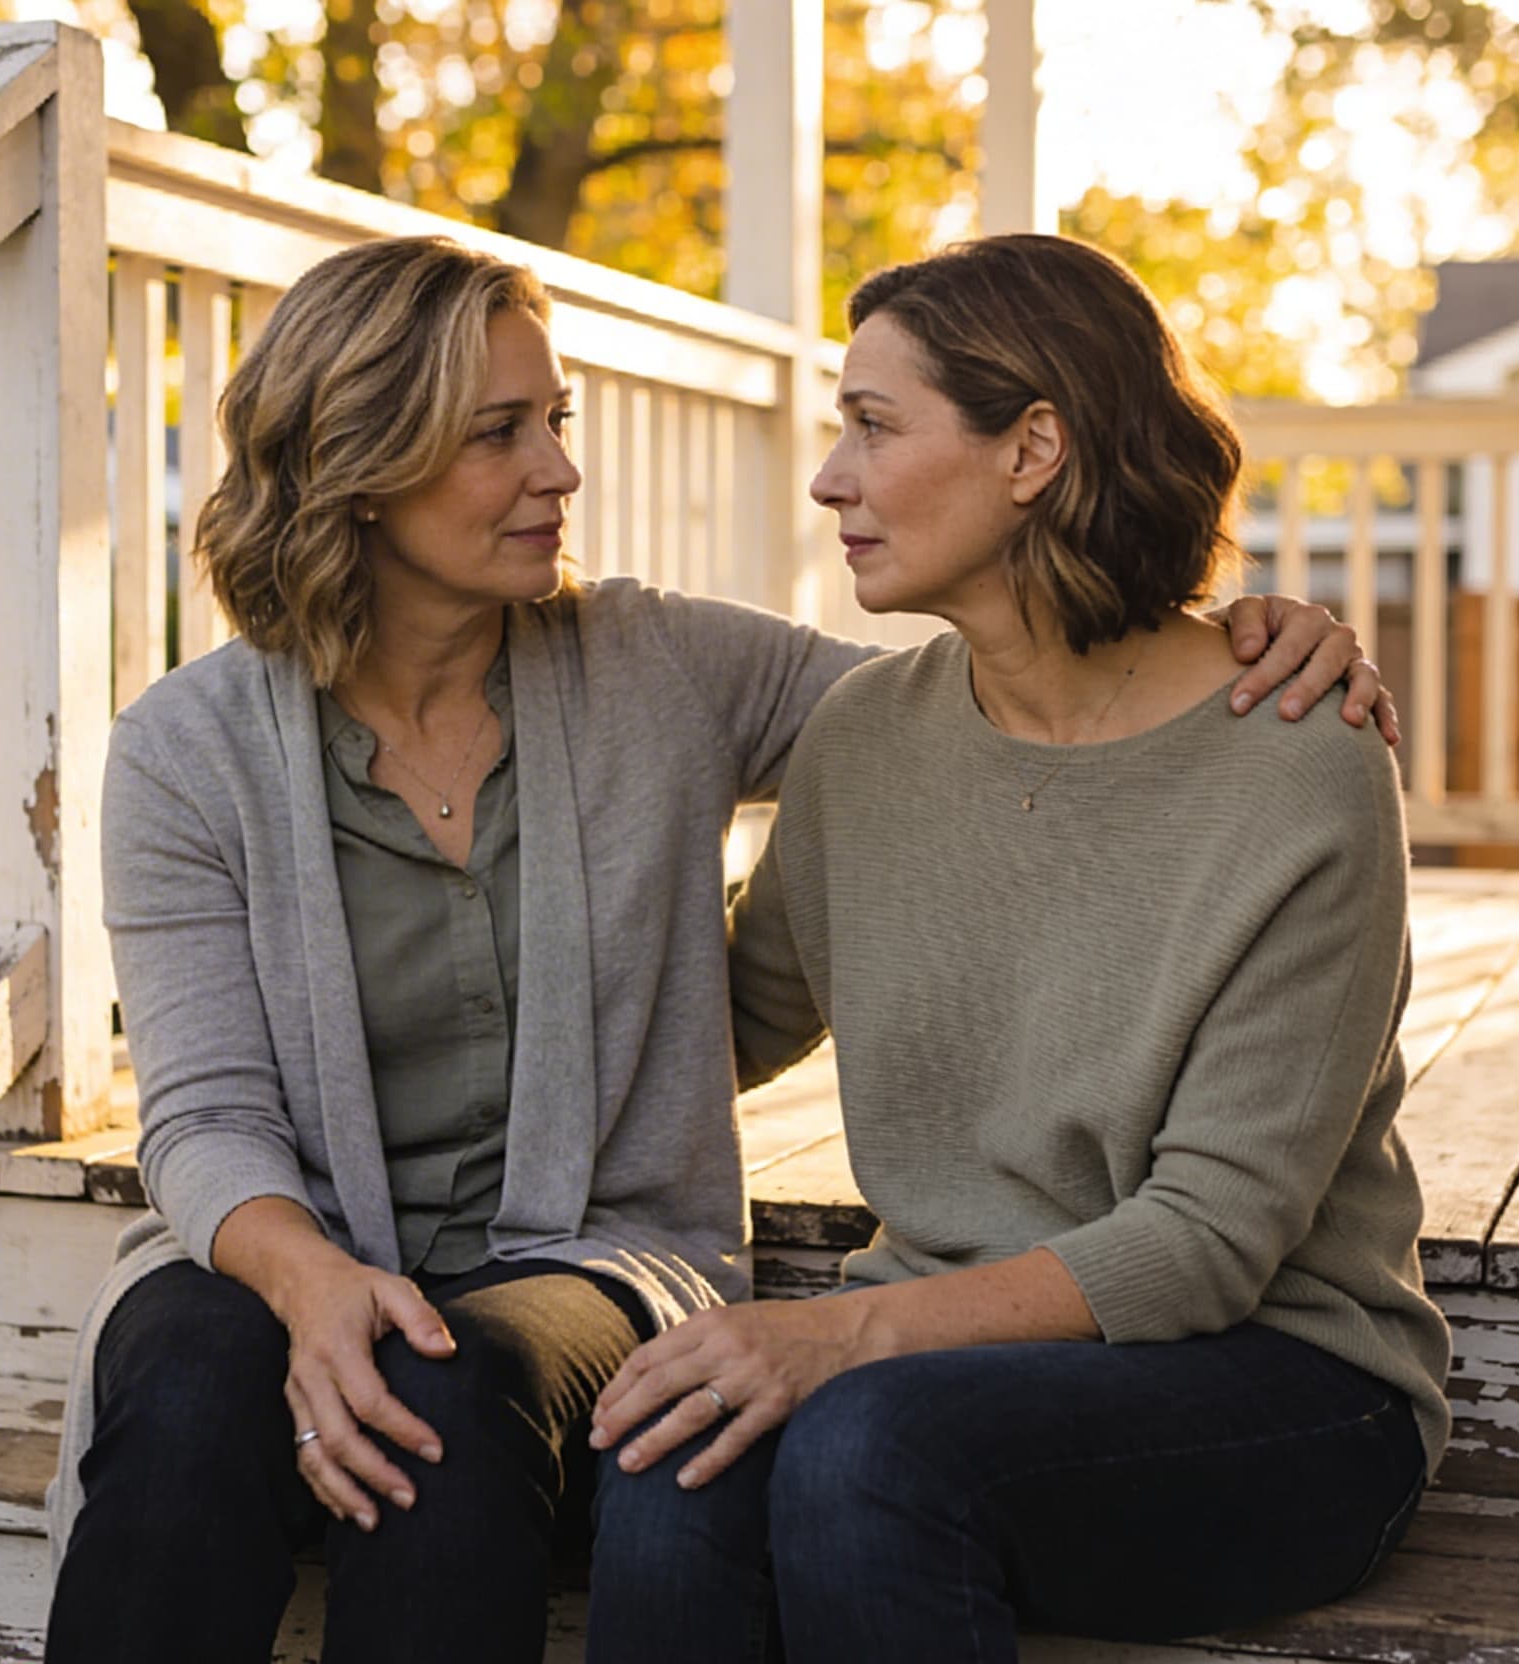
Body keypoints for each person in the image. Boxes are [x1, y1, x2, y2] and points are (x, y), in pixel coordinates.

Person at [41, 233, 1395, 1664]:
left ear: (1033, 451)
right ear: (359, 463)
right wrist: (311, 1283)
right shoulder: (194, 751)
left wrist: (1255, 634)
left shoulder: (691, 676)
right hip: (350, 1257)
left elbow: (1037, 710)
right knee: (208, 1369)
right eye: (504, 432)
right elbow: (214, 1113)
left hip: (1134, 1345)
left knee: (532, 1391)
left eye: (550, 424)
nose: (561, 471)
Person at [585, 233, 1450, 1664]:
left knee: (870, 1447)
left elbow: (1209, 1247)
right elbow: (714, 1027)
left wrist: (841, 1339)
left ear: (1034, 447)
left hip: (1282, 1380)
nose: (829, 478)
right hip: (943, 1364)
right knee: (677, 1458)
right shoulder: (864, 743)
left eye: (873, 425)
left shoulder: (1298, 761)